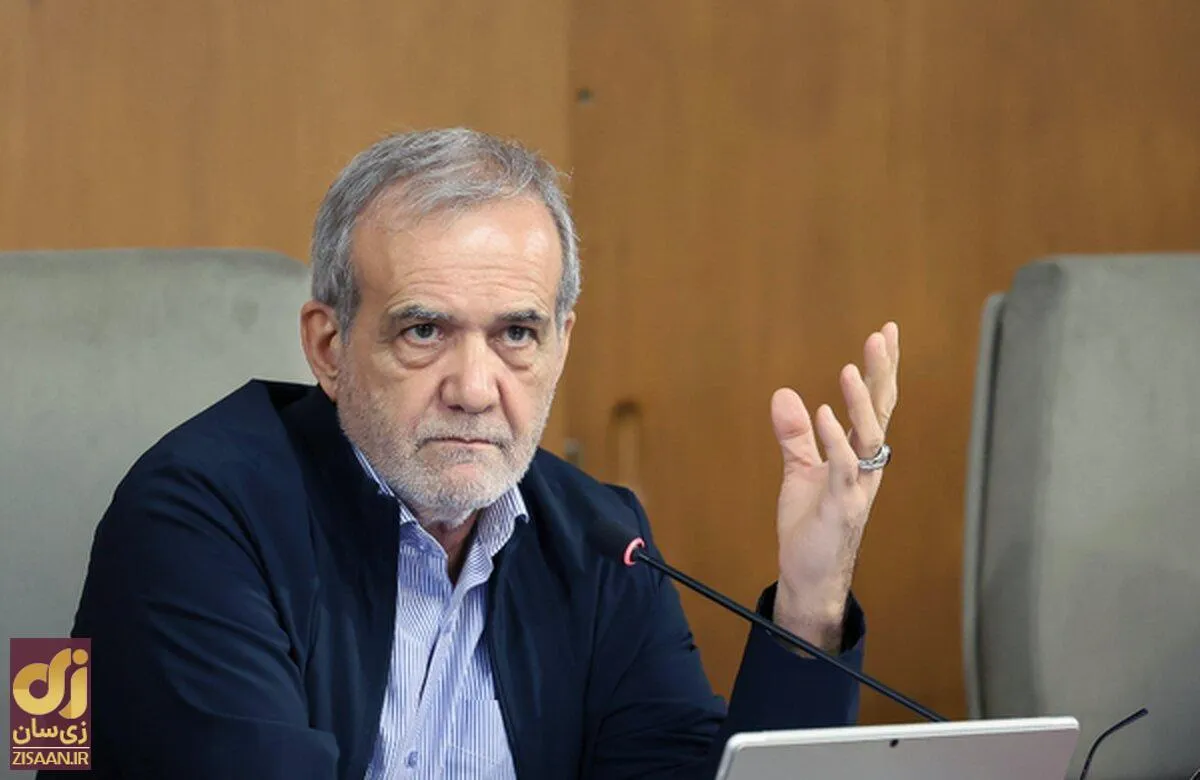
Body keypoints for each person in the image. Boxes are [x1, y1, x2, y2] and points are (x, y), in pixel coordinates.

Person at [46, 128, 901, 779]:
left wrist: (809, 606)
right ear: (329, 347)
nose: (475, 387)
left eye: (516, 334)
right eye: (424, 331)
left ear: (561, 345)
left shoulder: (602, 540)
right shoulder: (193, 517)